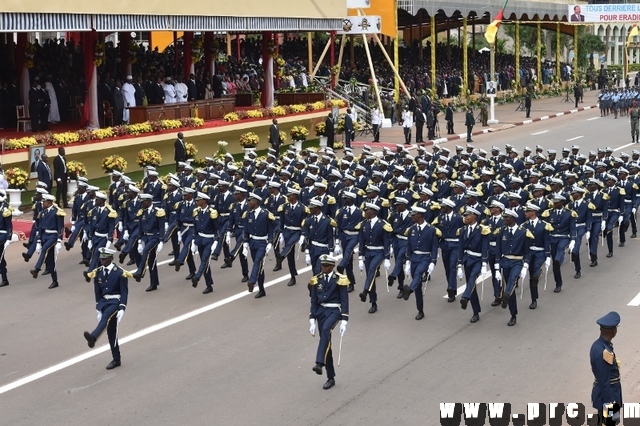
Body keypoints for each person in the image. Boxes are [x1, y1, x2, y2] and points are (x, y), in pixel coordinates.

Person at [83, 247, 130, 370]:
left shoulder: (119, 273)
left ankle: (93, 337)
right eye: (101, 259)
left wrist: (122, 308)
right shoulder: (98, 272)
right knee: (111, 332)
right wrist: (98, 307)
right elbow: (97, 291)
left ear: (111, 258)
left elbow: (124, 292)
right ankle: (116, 358)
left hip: (115, 301)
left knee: (105, 318)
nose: (102, 261)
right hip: (104, 302)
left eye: (104, 259)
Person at [309, 254, 349, 390]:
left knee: (326, 330)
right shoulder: (316, 280)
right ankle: (330, 377)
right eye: (322, 265)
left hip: (334, 311)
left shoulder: (340, 280)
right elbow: (314, 301)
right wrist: (312, 319)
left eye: (326, 266)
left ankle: (319, 363)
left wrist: (344, 319)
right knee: (327, 344)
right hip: (321, 312)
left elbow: (344, 301)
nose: (324, 268)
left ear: (332, 266)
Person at [400, 206, 439, 320]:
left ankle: (409, 290)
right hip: (414, 257)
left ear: (420, 216)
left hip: (425, 257)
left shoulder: (431, 229)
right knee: (418, 287)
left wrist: (433, 262)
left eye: (414, 215)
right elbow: (408, 246)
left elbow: (435, 247)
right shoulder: (412, 229)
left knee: (418, 275)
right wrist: (407, 261)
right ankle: (420, 309)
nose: (412, 217)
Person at [590, 311, 622, 425]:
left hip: (606, 394)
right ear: (614, 331)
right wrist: (611, 406)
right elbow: (604, 382)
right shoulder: (603, 351)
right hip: (607, 397)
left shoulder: (599, 345)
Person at [242, 192, 276, 298]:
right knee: (259, 266)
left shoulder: (265, 214)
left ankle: (252, 281)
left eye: (250, 201)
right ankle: (261, 290)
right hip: (253, 242)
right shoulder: (248, 214)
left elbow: (271, 230)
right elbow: (246, 230)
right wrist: (245, 243)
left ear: (256, 202)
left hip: (262, 242)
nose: (248, 202)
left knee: (257, 261)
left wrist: (270, 242)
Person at [132, 193, 166, 292]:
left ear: (148, 201)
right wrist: (139, 241)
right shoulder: (142, 212)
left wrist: (161, 241)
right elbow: (140, 228)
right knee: (151, 260)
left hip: (154, 237)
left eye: (143, 202)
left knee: (146, 251)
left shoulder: (158, 212)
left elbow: (161, 228)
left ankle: (139, 272)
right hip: (146, 237)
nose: (141, 204)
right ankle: (154, 283)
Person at [29, 193, 64, 289]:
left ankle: (36, 269)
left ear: (49, 202)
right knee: (50, 260)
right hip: (45, 236)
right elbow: (40, 228)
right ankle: (55, 280)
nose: (42, 203)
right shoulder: (43, 212)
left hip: (53, 236)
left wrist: (59, 240)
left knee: (44, 249)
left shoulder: (57, 212)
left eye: (44, 202)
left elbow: (60, 227)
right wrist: (39, 241)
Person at [0, 191, 12, 287]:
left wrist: (8, 238)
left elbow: (9, 226)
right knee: (1, 258)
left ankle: (4, 279)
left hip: (2, 235)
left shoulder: (5, 211)